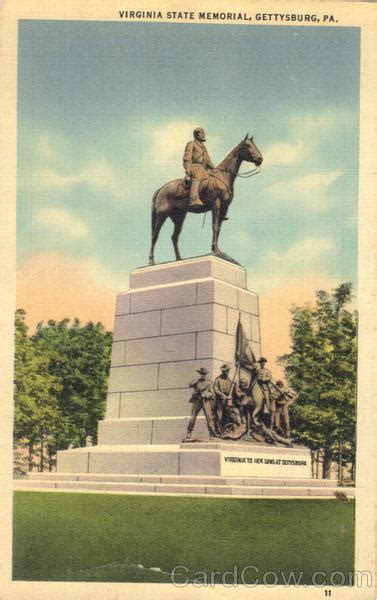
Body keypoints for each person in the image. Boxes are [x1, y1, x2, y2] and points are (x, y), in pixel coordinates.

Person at [183, 127, 214, 208]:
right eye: (202, 133)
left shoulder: (203, 148)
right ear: (197, 134)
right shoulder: (191, 144)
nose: (204, 135)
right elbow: (187, 157)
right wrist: (188, 169)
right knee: (199, 173)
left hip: (204, 168)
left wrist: (213, 167)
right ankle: (193, 199)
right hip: (195, 167)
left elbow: (207, 160)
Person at [184, 367, 217, 440]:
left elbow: (212, 393)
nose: (202, 375)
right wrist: (196, 380)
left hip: (205, 401)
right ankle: (189, 431)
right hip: (197, 401)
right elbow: (190, 384)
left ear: (205, 374)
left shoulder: (209, 382)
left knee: (209, 417)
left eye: (203, 374)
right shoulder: (197, 382)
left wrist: (205, 394)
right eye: (201, 374)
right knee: (193, 417)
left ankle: (211, 433)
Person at [213, 364, 233, 435]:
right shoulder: (218, 379)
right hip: (220, 400)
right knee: (219, 416)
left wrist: (230, 395)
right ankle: (218, 430)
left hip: (227, 401)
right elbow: (216, 390)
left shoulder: (229, 380)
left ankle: (226, 429)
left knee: (228, 415)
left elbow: (231, 390)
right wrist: (224, 396)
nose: (227, 372)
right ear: (222, 371)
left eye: (228, 371)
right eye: (225, 371)